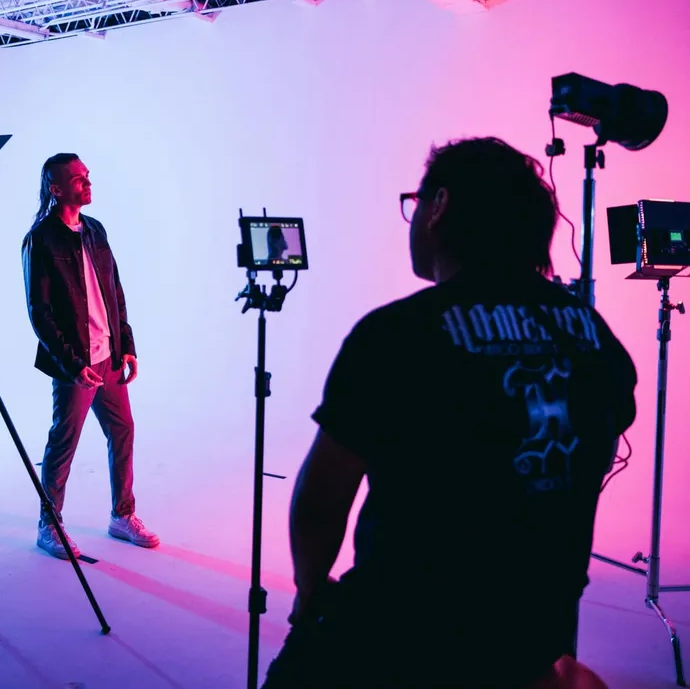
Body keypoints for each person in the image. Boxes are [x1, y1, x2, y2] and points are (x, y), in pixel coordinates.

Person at [262, 137, 637, 687]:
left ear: (439, 206)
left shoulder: (395, 336)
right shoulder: (592, 333)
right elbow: (599, 440)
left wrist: (311, 590)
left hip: (397, 638)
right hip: (530, 639)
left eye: (416, 202)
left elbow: (321, 501)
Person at [22, 153, 159, 559]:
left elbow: (115, 291)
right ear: (56, 188)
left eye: (87, 176)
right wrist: (71, 364)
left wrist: (127, 345)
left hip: (110, 357)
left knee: (123, 431)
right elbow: (39, 312)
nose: (87, 182)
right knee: (64, 441)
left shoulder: (95, 230)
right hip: (76, 365)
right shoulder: (41, 239)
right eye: (78, 178)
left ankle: (122, 515)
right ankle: (50, 524)